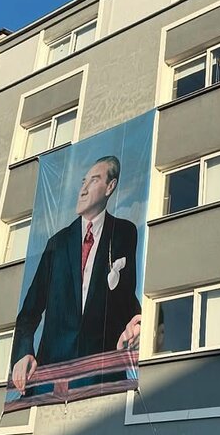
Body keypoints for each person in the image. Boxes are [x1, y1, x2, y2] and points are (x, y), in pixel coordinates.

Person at [10, 155, 141, 395]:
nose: (83, 189)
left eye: (93, 180)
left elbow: (124, 296)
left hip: (101, 376)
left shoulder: (124, 233)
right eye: (83, 182)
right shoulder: (56, 244)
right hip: (52, 377)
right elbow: (28, 313)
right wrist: (23, 353)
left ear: (110, 187)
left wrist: (138, 322)